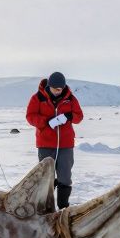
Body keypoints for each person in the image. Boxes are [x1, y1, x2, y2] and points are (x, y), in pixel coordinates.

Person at [25, 72, 83, 209]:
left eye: (61, 89)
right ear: (49, 86)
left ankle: (63, 207)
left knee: (65, 177)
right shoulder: (38, 98)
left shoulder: (70, 98)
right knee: (45, 177)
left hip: (65, 145)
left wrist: (69, 116)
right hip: (45, 144)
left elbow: (79, 117)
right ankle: (45, 207)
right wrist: (46, 121)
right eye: (56, 88)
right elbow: (30, 116)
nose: (59, 91)